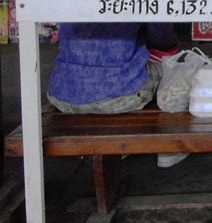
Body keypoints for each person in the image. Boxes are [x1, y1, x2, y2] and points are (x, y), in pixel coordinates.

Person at [47, 22, 187, 168]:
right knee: (173, 70)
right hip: (118, 96)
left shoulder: (70, 5)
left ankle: (116, 142)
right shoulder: (135, 5)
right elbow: (163, 39)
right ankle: (171, 147)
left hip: (62, 95)